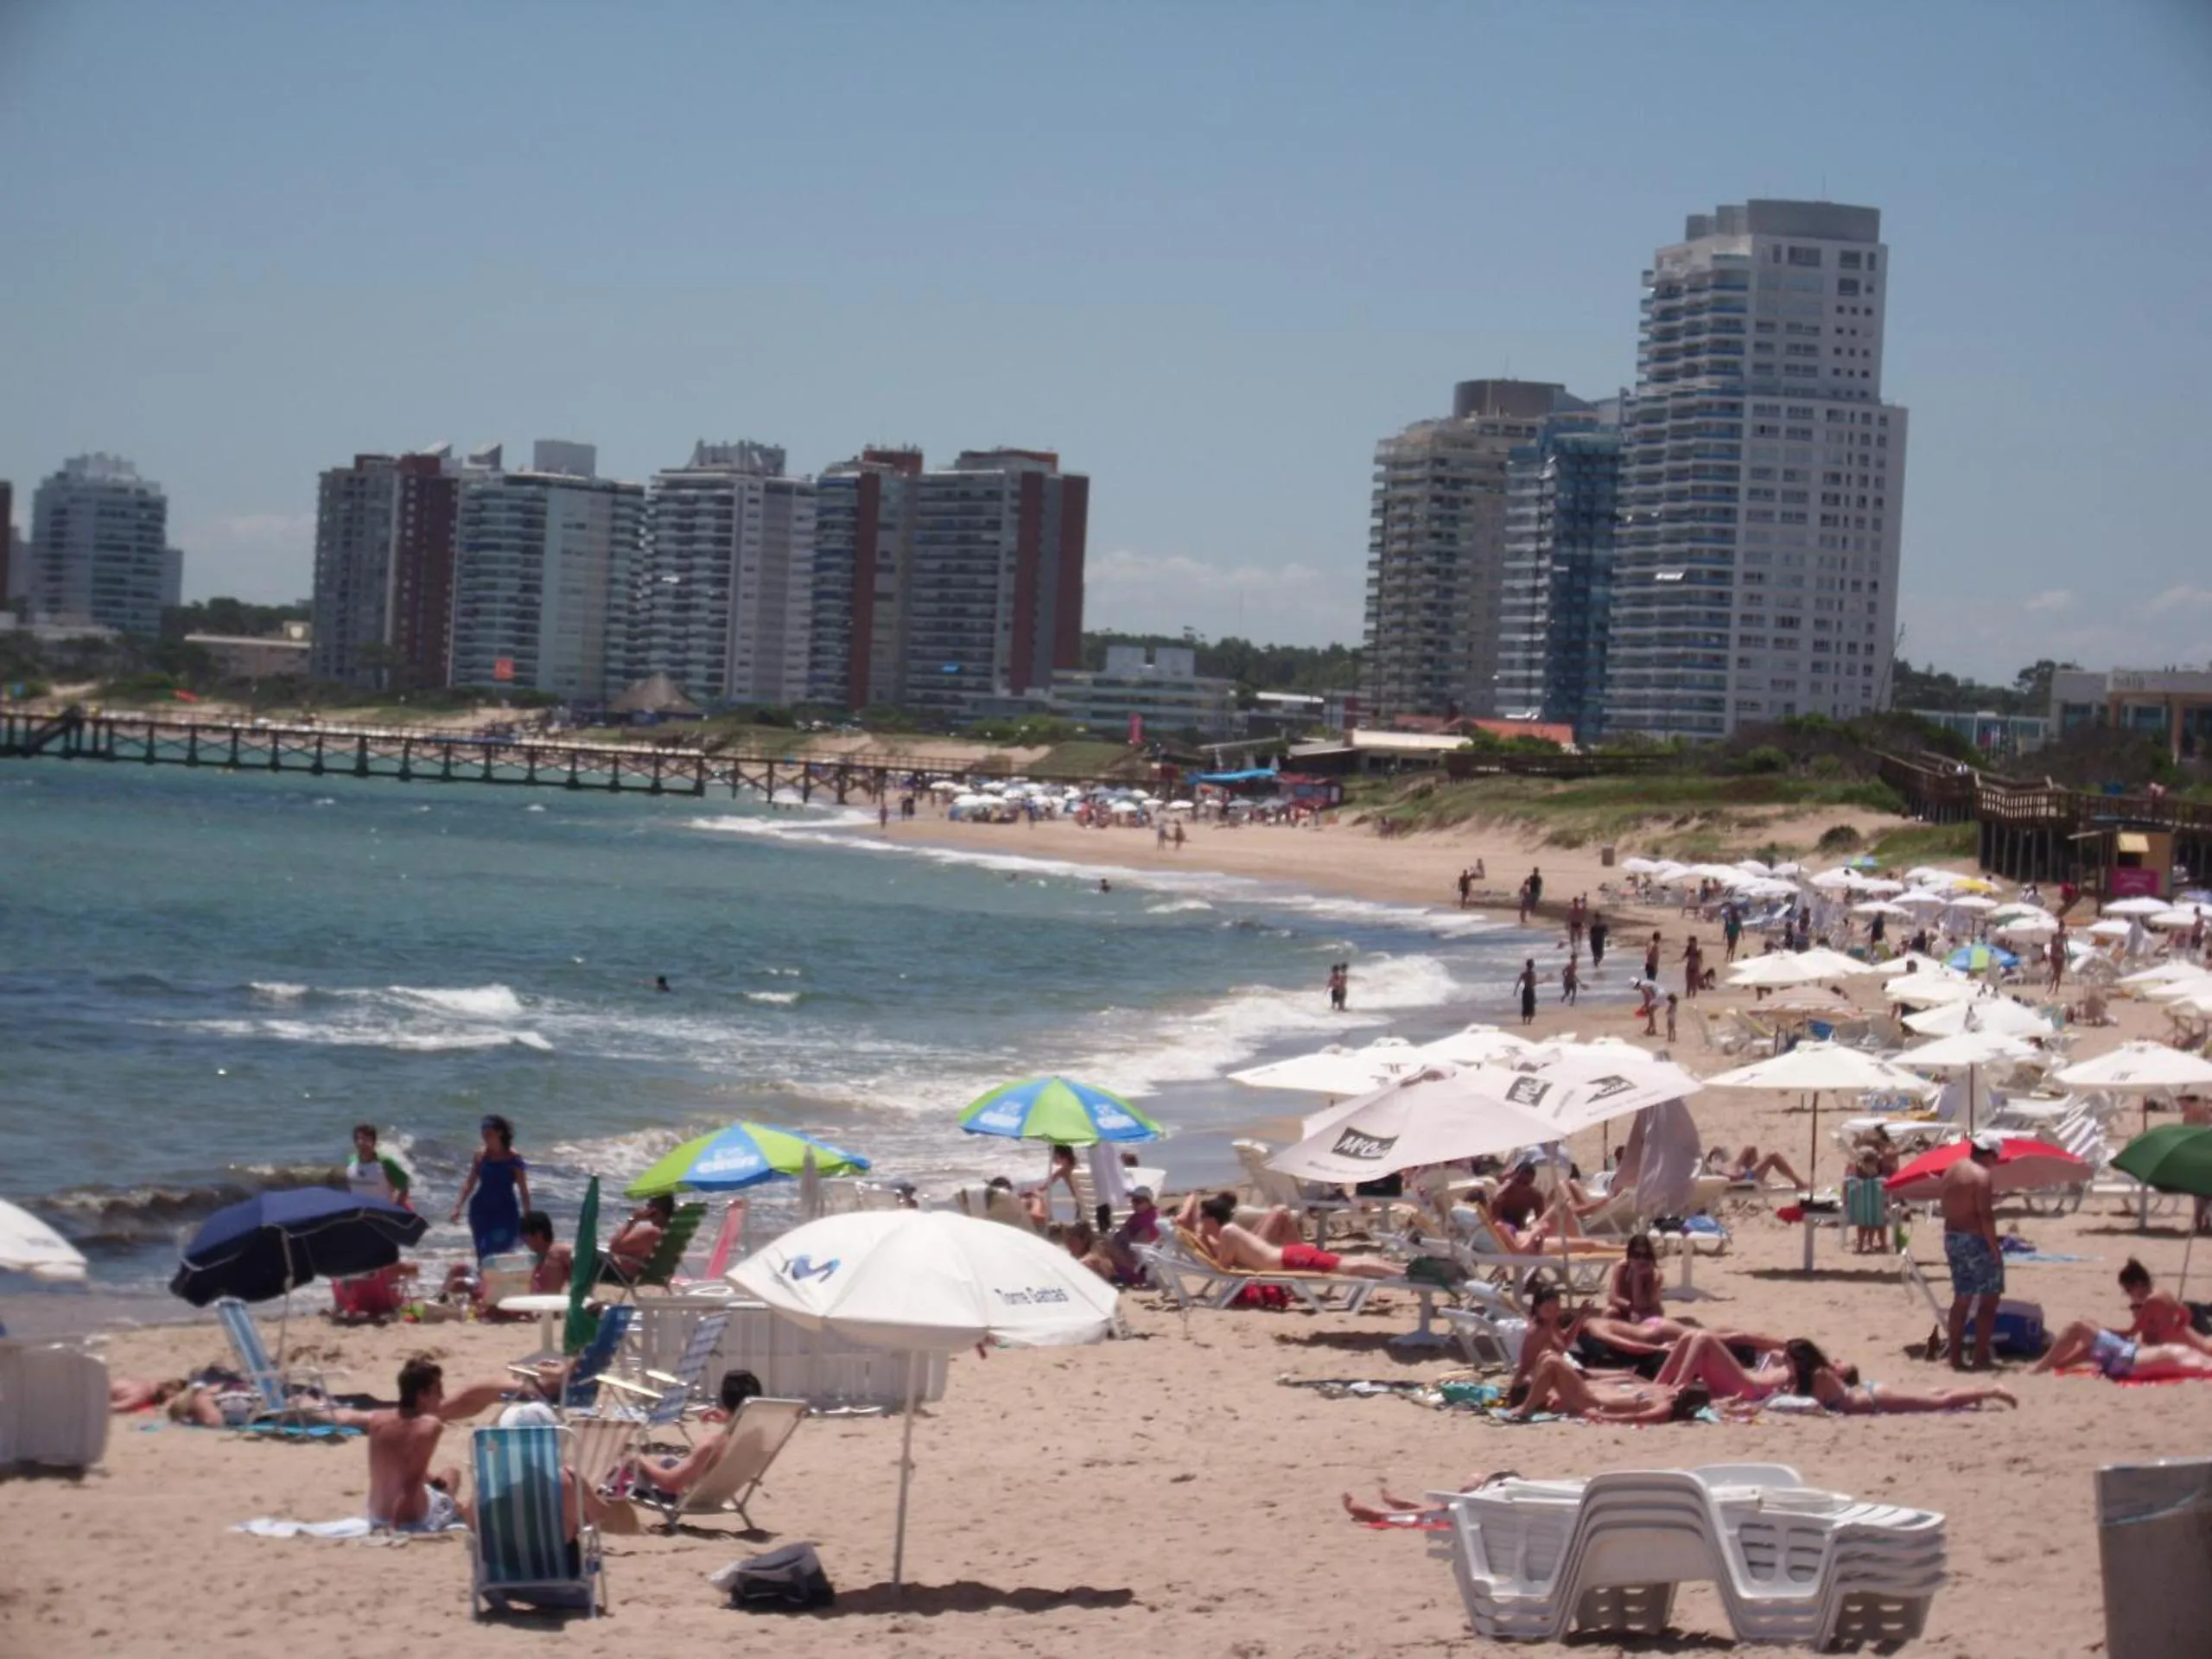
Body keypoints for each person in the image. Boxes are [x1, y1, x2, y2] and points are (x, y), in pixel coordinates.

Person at [322, 1357, 513, 1532]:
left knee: (443, 1479)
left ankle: (446, 1500)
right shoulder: (429, 1426)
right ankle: (452, 1507)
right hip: (410, 1518)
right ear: (423, 1395)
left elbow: (343, 1416)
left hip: (375, 1514)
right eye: (438, 1391)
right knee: (453, 1475)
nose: (442, 1397)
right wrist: (396, 1528)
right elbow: (411, 1482)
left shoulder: (378, 1420)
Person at [2032, 1257, 2212, 1378]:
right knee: (2090, 1346)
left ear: (2139, 1284)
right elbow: (2186, 1314)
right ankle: (2055, 1366)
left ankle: (2044, 1366)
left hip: (2194, 1348)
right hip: (2193, 1343)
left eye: (2128, 1290)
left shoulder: (2151, 1302)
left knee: (2082, 1329)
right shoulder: (2163, 1294)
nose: (2128, 1295)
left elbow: (2131, 1331)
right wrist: (2174, 1328)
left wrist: (2103, 1329)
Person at [616, 1371, 766, 1503]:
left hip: (679, 1493)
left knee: (626, 1465)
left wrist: (639, 1460)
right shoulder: (757, 1438)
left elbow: (671, 1484)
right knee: (658, 1460)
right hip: (711, 1489)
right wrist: (727, 1417)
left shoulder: (712, 1445)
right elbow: (739, 1423)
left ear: (724, 1401)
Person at [1174, 1191, 1400, 1278]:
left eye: (1204, 1218)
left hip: (1286, 1258)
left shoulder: (1228, 1232)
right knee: (1347, 1262)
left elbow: (1225, 1267)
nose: (1200, 1222)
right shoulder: (1225, 1233)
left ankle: (1402, 1274)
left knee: (1346, 1266)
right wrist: (1202, 1235)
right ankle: (1402, 1271)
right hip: (1286, 1256)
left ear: (1212, 1220)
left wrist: (1202, 1234)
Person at [1786, 1338, 2016, 1413]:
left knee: (1937, 1404)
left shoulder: (1819, 1376)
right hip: (1869, 1393)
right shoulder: (1816, 1374)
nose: (1786, 1366)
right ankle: (1972, 1393)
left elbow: (1814, 1407)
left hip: (1874, 1400)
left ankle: (1992, 1391)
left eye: (1789, 1360)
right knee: (1928, 1395)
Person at [1942, 1132, 2005, 1372]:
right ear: (1989, 1154)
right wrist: (1994, 1247)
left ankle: (1955, 1358)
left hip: (1952, 1236)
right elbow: (1985, 1217)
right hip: (1976, 1239)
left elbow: (1953, 1202)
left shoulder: (1952, 1169)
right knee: (1989, 1299)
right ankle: (1980, 1357)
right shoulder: (1982, 1176)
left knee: (1961, 1299)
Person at [1508, 1351, 1717, 1423]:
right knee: (1547, 1357)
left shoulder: (1665, 1405)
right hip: (1590, 1391)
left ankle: (1525, 1409)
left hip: (1591, 1401)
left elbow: (1641, 1418)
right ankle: (1532, 1400)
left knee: (1551, 1360)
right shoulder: (1664, 1391)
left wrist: (1604, 1418)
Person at [451, 1115, 531, 1262]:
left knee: (502, 1251)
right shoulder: (480, 1156)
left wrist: (528, 1216)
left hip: (506, 1211)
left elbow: (523, 1190)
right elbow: (470, 1182)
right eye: (483, 1134)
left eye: (488, 1134)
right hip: (481, 1211)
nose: (485, 1138)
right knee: (484, 1252)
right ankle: (484, 1283)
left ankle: (501, 1283)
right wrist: (458, 1206)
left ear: (499, 1133)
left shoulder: (513, 1157)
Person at [604, 1194, 673, 1283]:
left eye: (649, 1206)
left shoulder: (652, 1232)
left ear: (654, 1210)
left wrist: (633, 1220)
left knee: (591, 1256)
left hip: (621, 1275)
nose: (646, 1208)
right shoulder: (669, 1231)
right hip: (651, 1275)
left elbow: (613, 1247)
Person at [1102, 1186, 1162, 1283]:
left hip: (1134, 1264)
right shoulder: (1139, 1216)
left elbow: (1138, 1245)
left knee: (1102, 1245)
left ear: (1149, 1202)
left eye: (1138, 1201)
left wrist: (1116, 1245)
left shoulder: (1150, 1220)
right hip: (1128, 1255)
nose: (1134, 1204)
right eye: (1133, 1201)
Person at [345, 1124, 411, 1207]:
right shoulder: (351, 1161)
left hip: (382, 1213)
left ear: (374, 1141)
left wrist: (396, 1206)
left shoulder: (385, 1163)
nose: (362, 1143)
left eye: (366, 1139)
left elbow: (404, 1185)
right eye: (359, 1139)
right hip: (358, 1212)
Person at [1605, 1234, 1664, 1322]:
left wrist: (1638, 1275)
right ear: (1629, 1255)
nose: (1641, 1260)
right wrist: (1632, 1308)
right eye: (1636, 1255)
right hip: (1624, 1306)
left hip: (1647, 1309)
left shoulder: (1655, 1275)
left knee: (1641, 1318)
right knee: (1610, 1312)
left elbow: (1640, 1303)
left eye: (1646, 1256)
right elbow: (1613, 1297)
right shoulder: (1622, 1267)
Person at [1707, 1144, 1807, 1189]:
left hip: (1741, 1177)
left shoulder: (1715, 1164)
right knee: (1772, 1155)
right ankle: (1799, 1183)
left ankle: (1758, 1175)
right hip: (1745, 1182)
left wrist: (1737, 1166)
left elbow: (1731, 1172)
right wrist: (1738, 1169)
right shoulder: (1717, 1166)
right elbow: (1733, 1177)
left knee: (1750, 1148)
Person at [521, 1210, 574, 1294]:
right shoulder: (543, 1257)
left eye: (525, 1238)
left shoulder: (557, 1253)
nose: (524, 1243)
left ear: (538, 1235)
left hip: (552, 1305)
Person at [1515, 958, 1539, 1027]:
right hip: (1531, 991)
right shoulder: (1533, 974)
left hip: (1525, 991)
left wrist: (1515, 991)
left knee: (1525, 1006)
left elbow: (1518, 982)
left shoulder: (1523, 974)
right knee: (1531, 1006)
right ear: (1533, 966)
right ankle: (1529, 1022)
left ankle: (1524, 1022)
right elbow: (1534, 984)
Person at [1681, 936, 1704, 1001]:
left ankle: (1693, 997)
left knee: (1694, 983)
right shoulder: (1689, 948)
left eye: (1690, 941)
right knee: (1688, 982)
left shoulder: (1699, 949)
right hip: (1689, 966)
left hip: (1696, 967)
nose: (1689, 943)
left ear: (1695, 941)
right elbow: (1684, 956)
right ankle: (1687, 997)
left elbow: (1701, 959)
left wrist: (1701, 967)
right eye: (1689, 942)